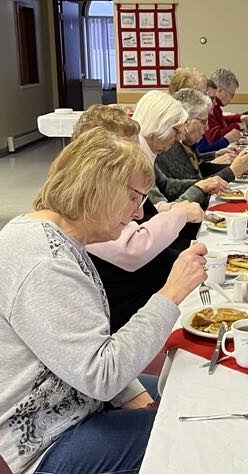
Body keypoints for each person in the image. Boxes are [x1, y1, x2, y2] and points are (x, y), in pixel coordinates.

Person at [0, 127, 208, 474]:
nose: (139, 213)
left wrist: (127, 392)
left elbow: (82, 351)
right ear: (98, 189)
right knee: (190, 436)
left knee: (190, 391)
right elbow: (100, 373)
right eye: (134, 198)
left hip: (56, 412)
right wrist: (171, 294)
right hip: (16, 463)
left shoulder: (51, 236)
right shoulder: (44, 263)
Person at [70, 105, 203, 332]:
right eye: (128, 152)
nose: (136, 158)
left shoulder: (117, 186)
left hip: (145, 296)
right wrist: (179, 214)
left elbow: (146, 216)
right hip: (128, 317)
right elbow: (133, 249)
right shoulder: (88, 205)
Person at [156, 88, 248, 232]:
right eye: (203, 122)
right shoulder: (170, 146)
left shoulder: (183, 144)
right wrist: (231, 171)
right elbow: (191, 184)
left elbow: (198, 174)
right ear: (186, 120)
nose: (206, 127)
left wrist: (235, 167)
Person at [131, 90, 229, 215]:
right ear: (159, 125)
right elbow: (158, 213)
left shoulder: (146, 149)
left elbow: (166, 185)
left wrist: (203, 183)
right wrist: (199, 188)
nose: (179, 138)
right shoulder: (136, 158)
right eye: (176, 130)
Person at [168, 67, 231, 155]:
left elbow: (196, 158)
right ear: (188, 95)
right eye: (204, 93)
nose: (206, 97)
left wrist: (215, 155)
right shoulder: (176, 132)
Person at [205, 68, 248, 145]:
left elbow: (220, 121)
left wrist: (239, 118)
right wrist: (236, 126)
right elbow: (216, 137)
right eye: (232, 95)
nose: (231, 99)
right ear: (219, 91)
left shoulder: (216, 108)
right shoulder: (209, 108)